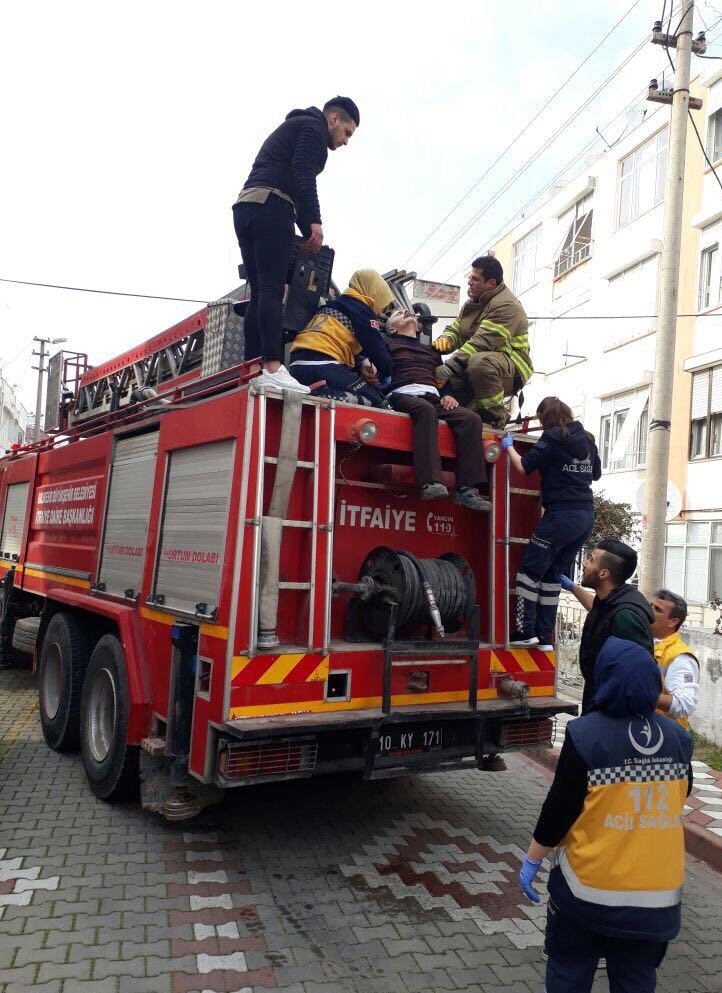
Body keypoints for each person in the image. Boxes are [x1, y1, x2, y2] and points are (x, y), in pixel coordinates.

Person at [519, 636, 693, 993]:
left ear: (605, 680)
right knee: (636, 981)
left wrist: (532, 860)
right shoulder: (678, 738)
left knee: (569, 972)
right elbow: (683, 791)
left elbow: (559, 809)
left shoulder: (586, 734)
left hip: (586, 897)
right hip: (656, 905)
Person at [232, 97, 360, 393]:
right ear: (334, 119)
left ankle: (253, 368)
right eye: (347, 133)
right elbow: (303, 172)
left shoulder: (294, 125)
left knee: (260, 288)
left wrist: (304, 229)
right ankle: (274, 367)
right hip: (273, 205)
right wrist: (314, 222)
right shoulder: (314, 129)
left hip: (246, 206)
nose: (345, 142)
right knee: (273, 289)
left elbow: (293, 172)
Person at [501, 397, 600, 650]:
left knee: (529, 571)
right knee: (552, 575)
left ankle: (525, 632)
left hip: (560, 516)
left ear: (544, 418)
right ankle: (544, 637)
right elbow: (596, 474)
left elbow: (523, 466)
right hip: (585, 517)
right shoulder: (588, 439)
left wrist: (508, 446)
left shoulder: (552, 438)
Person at [384, 309, 491, 510]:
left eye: (409, 313)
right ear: (391, 328)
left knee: (471, 419)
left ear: (418, 327)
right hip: (402, 395)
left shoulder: (431, 351)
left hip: (433, 397)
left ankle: (467, 490)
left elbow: (442, 380)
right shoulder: (387, 345)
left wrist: (448, 395)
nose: (407, 311)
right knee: (426, 411)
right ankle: (430, 482)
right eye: (399, 313)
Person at [434, 256, 532, 427]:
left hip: (511, 368)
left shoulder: (506, 306)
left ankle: (493, 418)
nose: (469, 282)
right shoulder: (473, 303)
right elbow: (458, 329)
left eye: (475, 279)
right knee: (449, 382)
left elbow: (481, 342)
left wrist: (448, 368)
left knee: (479, 363)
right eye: (470, 277)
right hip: (478, 362)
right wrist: (446, 340)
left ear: (491, 284)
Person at [563, 539, 654, 713]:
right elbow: (602, 614)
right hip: (597, 701)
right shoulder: (609, 601)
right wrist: (572, 587)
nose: (584, 563)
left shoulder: (626, 617)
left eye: (590, 559)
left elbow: (637, 675)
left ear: (604, 573)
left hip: (612, 712)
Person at [288, 269, 393, 406]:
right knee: (377, 399)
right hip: (323, 365)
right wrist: (390, 370)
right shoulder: (362, 311)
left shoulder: (335, 305)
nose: (380, 314)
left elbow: (335, 341)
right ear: (374, 295)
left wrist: (361, 364)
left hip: (296, 366)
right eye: (382, 306)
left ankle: (322, 392)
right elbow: (376, 348)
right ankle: (324, 396)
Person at [650, 589, 699, 729]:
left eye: (657, 609)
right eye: (650, 605)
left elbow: (684, 704)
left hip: (664, 738)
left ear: (673, 622)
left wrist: (641, 695)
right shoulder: (645, 642)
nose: (649, 610)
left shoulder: (680, 657)